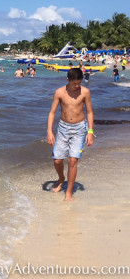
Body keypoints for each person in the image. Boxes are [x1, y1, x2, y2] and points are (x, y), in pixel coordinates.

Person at [46, 67, 95, 201]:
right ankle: (61, 178)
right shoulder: (59, 93)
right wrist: (49, 131)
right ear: (68, 80)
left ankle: (68, 193)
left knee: (73, 160)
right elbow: (52, 112)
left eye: (79, 83)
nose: (77, 86)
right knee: (57, 160)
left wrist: (90, 131)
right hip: (63, 128)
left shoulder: (85, 92)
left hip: (80, 128)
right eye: (75, 83)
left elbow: (90, 112)